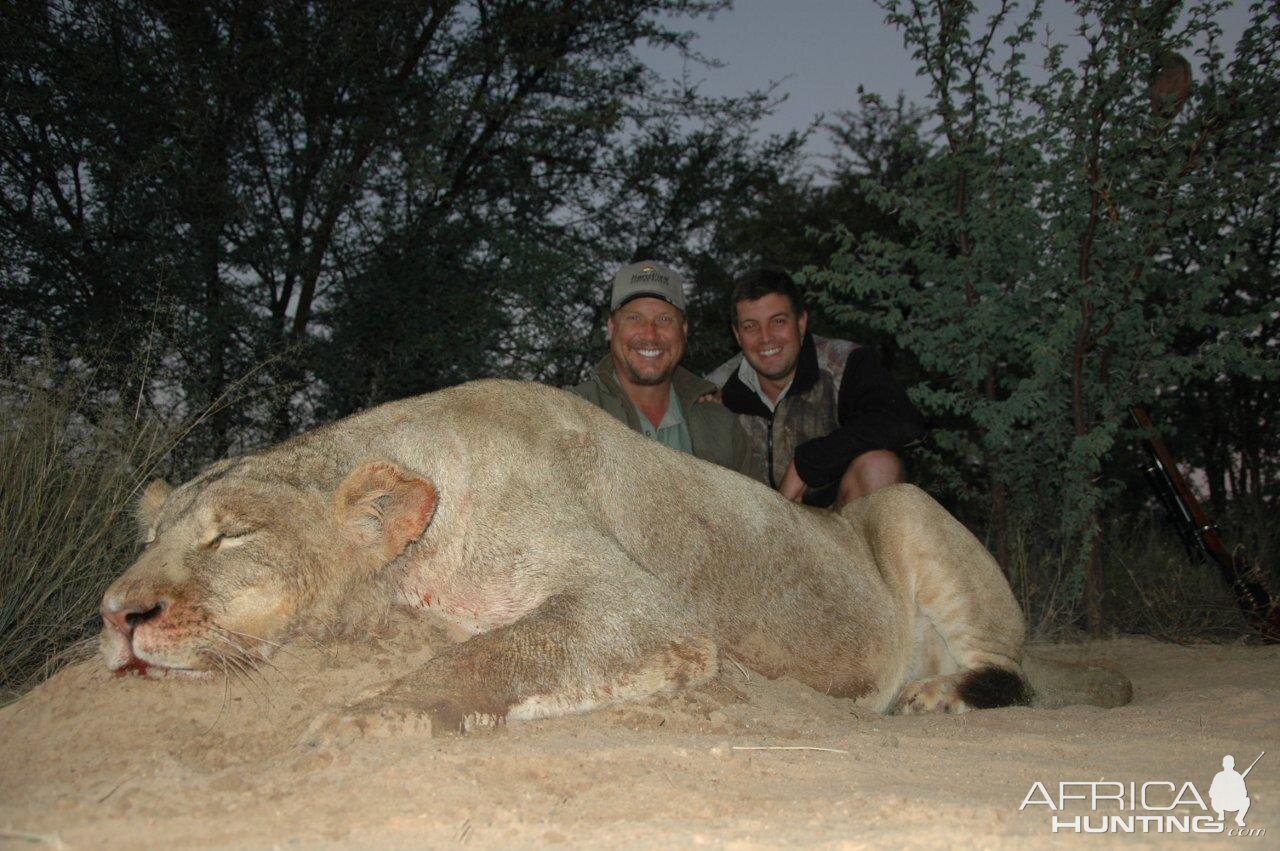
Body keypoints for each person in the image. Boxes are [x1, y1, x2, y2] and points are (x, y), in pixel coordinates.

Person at [706, 268, 925, 508]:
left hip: (837, 527)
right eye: (750, 326)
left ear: (801, 323)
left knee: (879, 466)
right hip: (755, 531)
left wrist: (806, 465)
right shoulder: (715, 389)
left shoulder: (844, 363)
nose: (766, 337)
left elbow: (901, 420)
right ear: (737, 335)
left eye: (778, 321)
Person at [572, 260, 754, 477]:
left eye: (664, 319)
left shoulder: (721, 425)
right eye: (634, 318)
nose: (650, 334)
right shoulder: (571, 413)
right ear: (611, 328)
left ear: (684, 330)